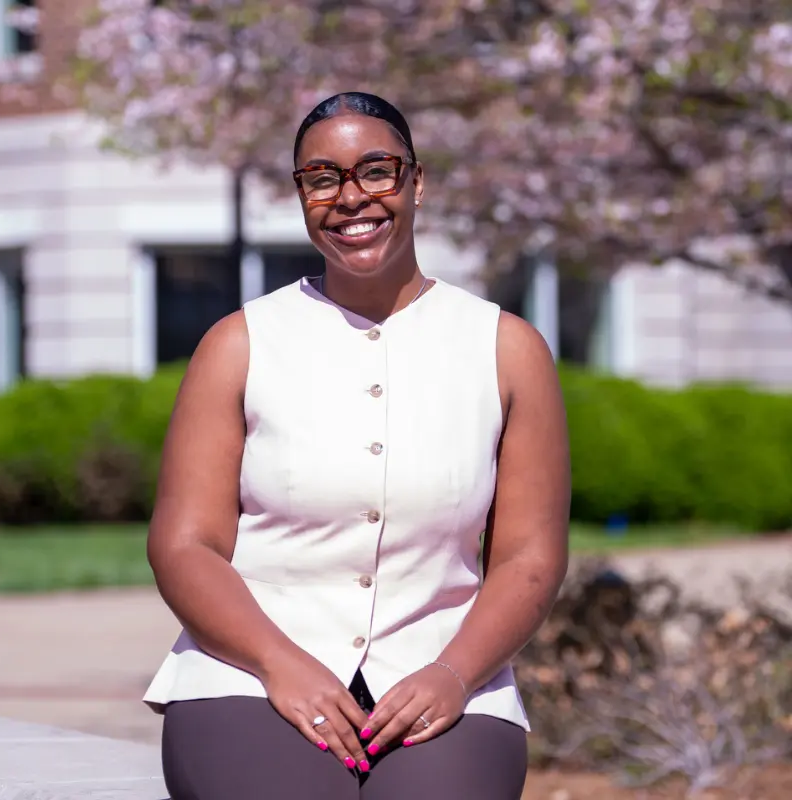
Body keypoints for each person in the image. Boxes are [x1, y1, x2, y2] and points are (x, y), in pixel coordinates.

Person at [143, 91, 571, 800]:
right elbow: (185, 545)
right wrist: (278, 663)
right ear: (300, 195)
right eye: (322, 178)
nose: (350, 197)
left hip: (442, 671)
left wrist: (454, 673)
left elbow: (529, 556)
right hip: (249, 671)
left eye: (376, 170)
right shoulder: (239, 344)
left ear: (416, 181)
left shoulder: (506, 349)